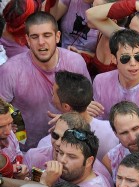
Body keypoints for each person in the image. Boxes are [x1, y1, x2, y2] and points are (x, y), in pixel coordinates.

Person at [0, 12, 90, 148]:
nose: (41, 42)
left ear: (58, 36)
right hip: (26, 149)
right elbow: (2, 109)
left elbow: (88, 104)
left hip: (69, 148)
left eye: (47, 35)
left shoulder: (75, 62)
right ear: (28, 40)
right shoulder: (10, 70)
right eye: (35, 37)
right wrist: (15, 130)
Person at [92, 29, 139, 127]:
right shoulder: (100, 82)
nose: (133, 63)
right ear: (114, 59)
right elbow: (98, 124)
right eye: (125, 58)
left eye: (138, 57)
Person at [50, 71, 119, 160]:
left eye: (53, 94)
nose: (52, 98)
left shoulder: (53, 141)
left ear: (66, 106)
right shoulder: (112, 131)